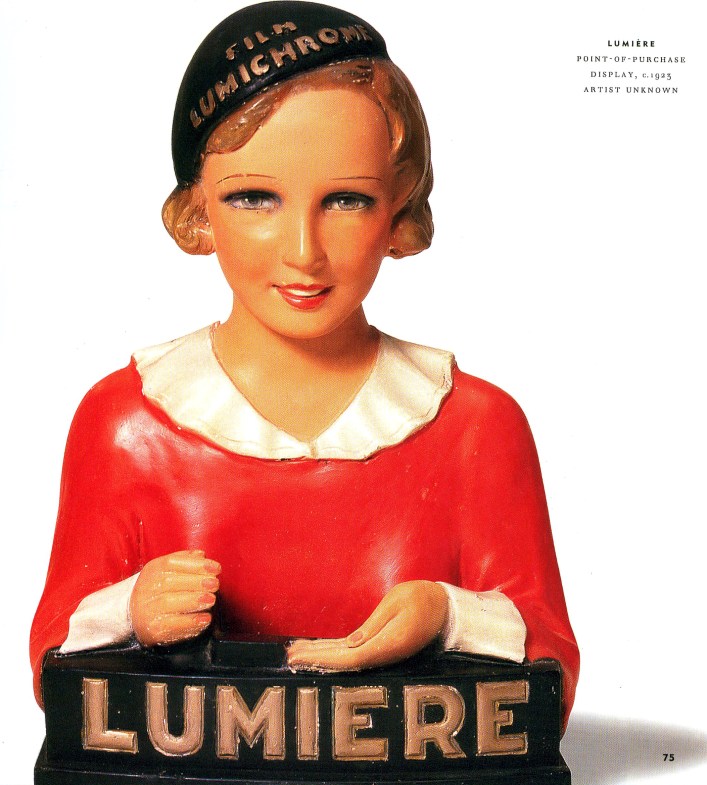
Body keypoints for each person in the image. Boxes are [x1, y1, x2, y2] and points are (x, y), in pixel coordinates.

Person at [30, 1, 579, 728]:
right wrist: (129, 610)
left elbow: (549, 663)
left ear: (398, 211)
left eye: (346, 200)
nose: (303, 252)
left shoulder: (476, 425)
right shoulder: (125, 423)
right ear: (199, 211)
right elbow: (54, 659)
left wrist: (447, 615)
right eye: (254, 198)